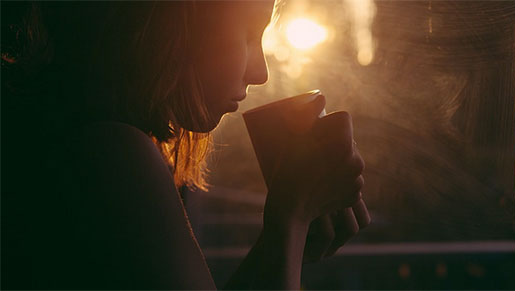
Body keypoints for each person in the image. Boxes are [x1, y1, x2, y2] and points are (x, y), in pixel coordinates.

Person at [1, 1, 369, 289]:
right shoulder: (110, 153)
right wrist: (294, 214)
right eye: (248, 34)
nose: (261, 73)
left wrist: (280, 243)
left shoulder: (76, 133)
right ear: (177, 27)